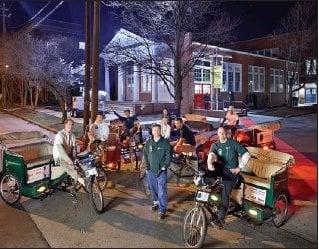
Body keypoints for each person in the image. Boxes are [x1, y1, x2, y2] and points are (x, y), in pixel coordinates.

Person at [207, 127, 250, 228]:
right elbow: (211, 155)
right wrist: (209, 163)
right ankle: (213, 209)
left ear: (226, 134)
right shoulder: (215, 145)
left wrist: (239, 168)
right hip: (222, 170)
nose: (221, 134)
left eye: (223, 133)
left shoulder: (232, 143)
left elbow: (246, 154)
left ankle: (220, 219)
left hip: (232, 173)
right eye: (219, 132)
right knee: (208, 180)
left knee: (224, 194)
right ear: (217, 134)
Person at [143, 124, 172, 219]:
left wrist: (164, 167)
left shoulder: (165, 143)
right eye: (154, 130)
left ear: (160, 131)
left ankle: (162, 209)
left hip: (161, 170)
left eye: (158, 130)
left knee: (162, 190)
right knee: (153, 188)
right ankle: (156, 203)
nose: (156, 131)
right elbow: (145, 155)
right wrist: (147, 166)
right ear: (152, 131)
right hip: (151, 170)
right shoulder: (148, 142)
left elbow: (168, 156)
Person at [53, 119, 85, 187]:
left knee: (79, 162)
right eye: (69, 124)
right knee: (68, 166)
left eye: (72, 124)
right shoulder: (60, 135)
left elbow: (74, 148)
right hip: (58, 157)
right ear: (65, 124)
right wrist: (68, 160)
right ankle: (79, 179)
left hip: (67, 155)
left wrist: (75, 156)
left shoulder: (72, 135)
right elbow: (60, 150)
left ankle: (75, 179)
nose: (71, 126)